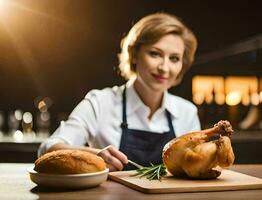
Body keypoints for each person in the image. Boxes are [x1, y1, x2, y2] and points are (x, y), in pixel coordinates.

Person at [38, 12, 200, 171]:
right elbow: (47, 148)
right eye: (155, 54)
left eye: (174, 59)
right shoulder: (100, 103)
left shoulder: (187, 112)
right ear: (135, 54)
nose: (164, 68)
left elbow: (196, 167)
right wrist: (93, 154)